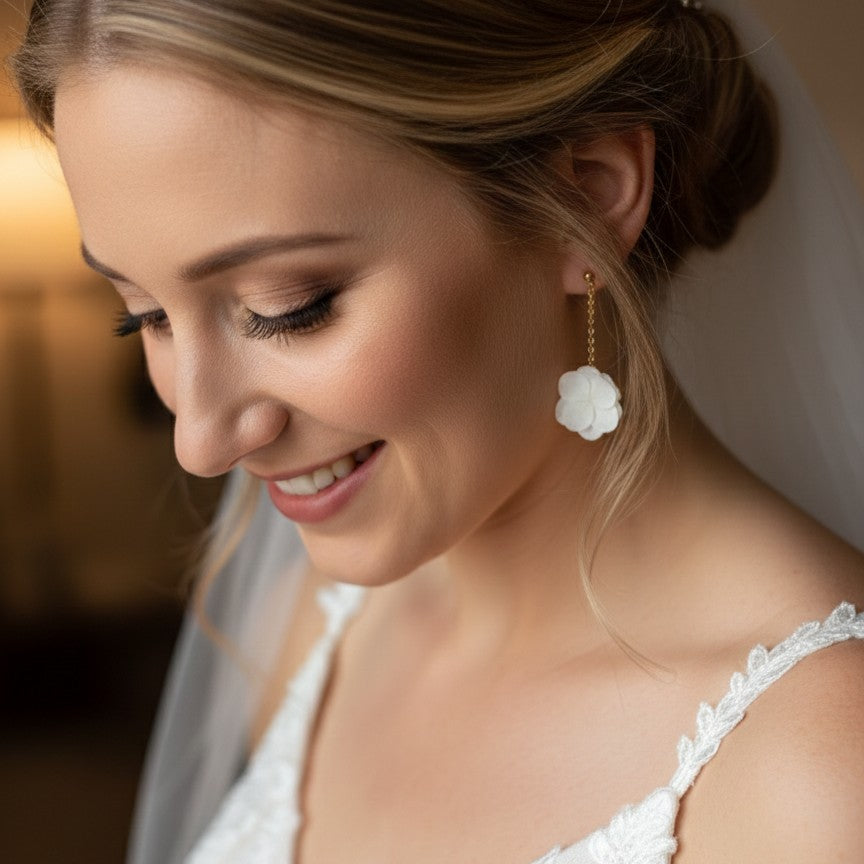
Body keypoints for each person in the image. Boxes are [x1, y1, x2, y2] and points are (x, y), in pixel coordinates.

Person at [10, 1, 864, 862]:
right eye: (144, 316)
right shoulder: (312, 629)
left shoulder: (820, 771)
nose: (200, 443)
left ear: (589, 195)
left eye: (290, 309)